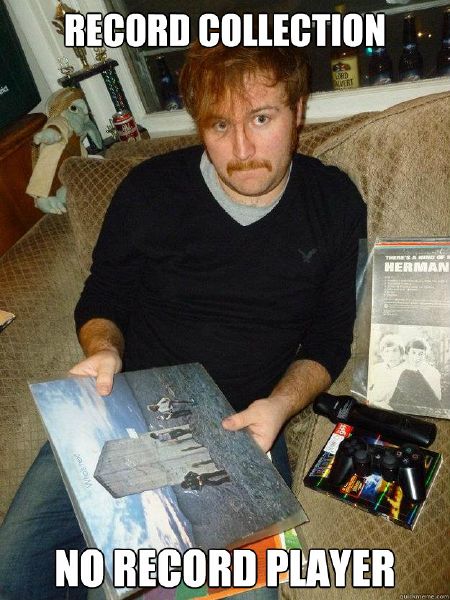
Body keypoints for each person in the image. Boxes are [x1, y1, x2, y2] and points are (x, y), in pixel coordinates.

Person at [0, 39, 366, 600]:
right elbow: (104, 296)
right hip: (123, 411)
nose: (242, 149)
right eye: (219, 125)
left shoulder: (334, 203)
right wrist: (104, 348)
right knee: (16, 573)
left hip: (242, 425)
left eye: (261, 118)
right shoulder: (149, 190)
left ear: (298, 111)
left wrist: (279, 407)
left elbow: (329, 339)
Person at [390, 338, 442, 411]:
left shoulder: (433, 372)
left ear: (425, 355)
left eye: (421, 354)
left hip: (425, 407)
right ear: (408, 353)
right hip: (402, 407)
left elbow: (437, 398)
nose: (417, 357)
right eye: (413, 353)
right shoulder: (399, 369)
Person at [367, 333, 406, 409]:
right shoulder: (377, 368)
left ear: (401, 352)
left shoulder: (405, 370)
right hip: (373, 405)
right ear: (382, 354)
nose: (391, 355)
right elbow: (368, 390)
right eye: (387, 351)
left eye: (395, 350)